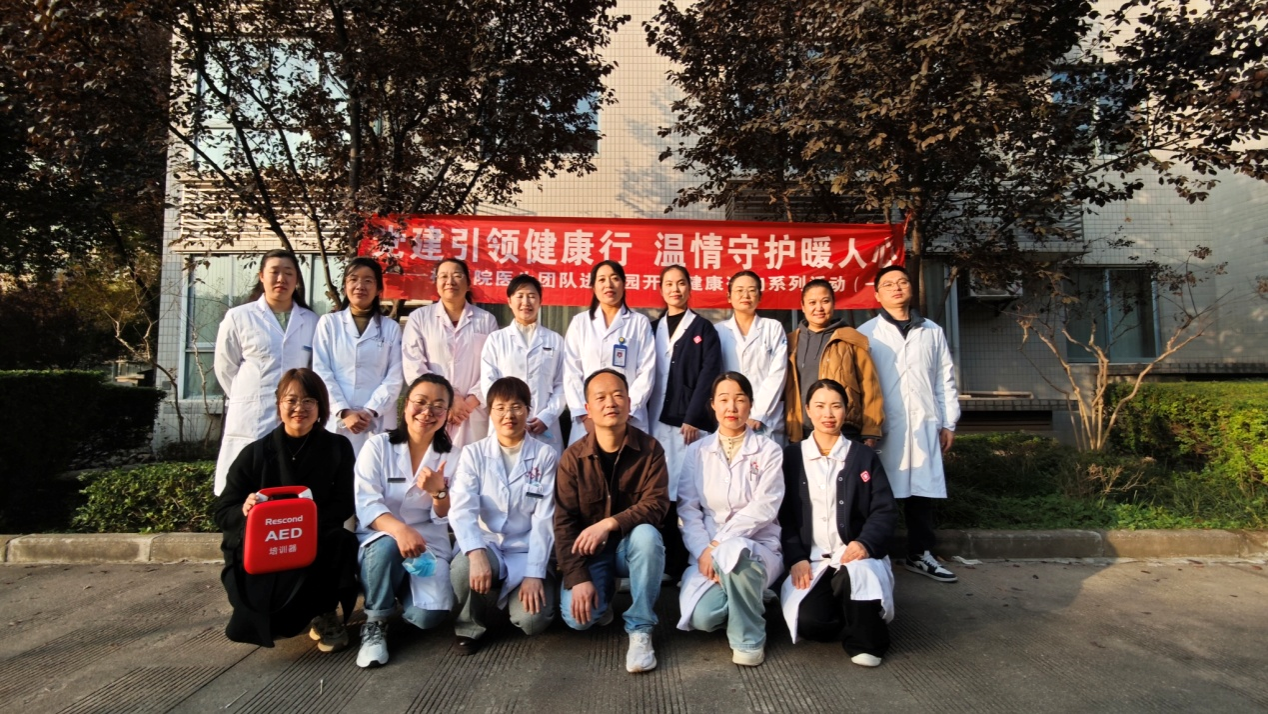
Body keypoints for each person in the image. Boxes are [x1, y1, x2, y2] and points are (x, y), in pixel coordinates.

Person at [213, 368, 358, 652]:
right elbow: (223, 510)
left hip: (315, 537)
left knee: (341, 541)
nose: (299, 408)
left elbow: (345, 502)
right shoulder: (255, 453)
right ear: (279, 404)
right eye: (291, 400)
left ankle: (325, 612)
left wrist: (303, 525)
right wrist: (245, 510)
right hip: (267, 544)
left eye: (309, 401)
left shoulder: (337, 447)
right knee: (257, 621)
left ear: (321, 407)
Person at [555, 368, 669, 673]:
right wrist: (578, 579)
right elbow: (564, 523)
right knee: (578, 620)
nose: (610, 403)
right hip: (592, 553)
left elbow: (657, 505)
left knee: (647, 536)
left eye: (618, 395)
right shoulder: (572, 458)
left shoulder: (650, 450)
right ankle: (603, 596)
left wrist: (609, 523)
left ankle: (641, 628)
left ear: (629, 403)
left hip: (630, 548)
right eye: (601, 397)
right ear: (588, 408)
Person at [778, 379, 897, 668]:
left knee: (855, 577)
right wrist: (795, 557)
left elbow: (884, 509)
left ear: (846, 410)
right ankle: (849, 610)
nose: (828, 414)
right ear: (808, 410)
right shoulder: (791, 457)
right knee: (811, 623)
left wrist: (865, 543)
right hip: (813, 561)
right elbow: (783, 515)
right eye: (820, 406)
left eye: (836, 406)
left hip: (854, 555)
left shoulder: (863, 456)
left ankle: (867, 639)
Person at [858, 265, 961, 583]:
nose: (896, 287)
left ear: (911, 288)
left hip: (924, 422)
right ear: (877, 294)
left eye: (902, 282)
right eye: (888, 284)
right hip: (884, 427)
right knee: (880, 493)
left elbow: (944, 378)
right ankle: (877, 554)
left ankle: (920, 553)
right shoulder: (867, 333)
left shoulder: (932, 331)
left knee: (921, 494)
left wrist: (948, 422)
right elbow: (861, 385)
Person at [676, 372, 784, 666]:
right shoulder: (697, 451)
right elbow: (688, 508)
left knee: (738, 556)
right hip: (707, 551)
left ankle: (749, 638)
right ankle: (750, 596)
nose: (731, 407)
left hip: (757, 546)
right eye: (723, 400)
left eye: (739, 399)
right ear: (712, 404)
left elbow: (765, 506)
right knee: (703, 617)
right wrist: (703, 550)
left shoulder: (769, 451)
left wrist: (718, 545)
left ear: (750, 404)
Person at [352, 374, 458, 668]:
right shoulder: (378, 447)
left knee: (427, 617)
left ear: (447, 413)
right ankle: (376, 621)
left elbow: (448, 516)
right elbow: (367, 504)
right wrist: (400, 530)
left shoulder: (454, 456)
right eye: (420, 402)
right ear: (405, 405)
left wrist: (438, 492)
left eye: (438, 406)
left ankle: (395, 585)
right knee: (387, 546)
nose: (428, 412)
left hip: (428, 544)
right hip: (381, 540)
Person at [449, 377, 559, 655]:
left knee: (532, 621)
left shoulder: (545, 455)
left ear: (528, 410)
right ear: (490, 412)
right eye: (500, 408)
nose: (508, 415)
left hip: (527, 549)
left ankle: (522, 592)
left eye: (516, 407)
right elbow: (462, 508)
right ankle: (468, 625)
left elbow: (544, 520)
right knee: (463, 567)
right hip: (488, 544)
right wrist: (476, 552)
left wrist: (534, 573)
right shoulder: (474, 454)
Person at [213, 249, 318, 494]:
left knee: (289, 488)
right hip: (252, 415)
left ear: (296, 279)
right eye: (274, 272)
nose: (281, 279)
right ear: (262, 276)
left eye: (288, 273)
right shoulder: (239, 317)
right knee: (247, 488)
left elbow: (314, 370)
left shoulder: (312, 321)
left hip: (295, 415)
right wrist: (248, 396)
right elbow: (225, 367)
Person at [648, 265, 721, 575]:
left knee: (688, 493)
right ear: (661, 289)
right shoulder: (651, 327)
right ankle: (667, 563)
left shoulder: (704, 329)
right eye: (669, 284)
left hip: (687, 425)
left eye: (680, 283)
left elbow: (709, 374)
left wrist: (693, 417)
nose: (675, 289)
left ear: (690, 288)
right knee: (660, 490)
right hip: (654, 419)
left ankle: (690, 561)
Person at [401, 258, 499, 454]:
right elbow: (413, 365)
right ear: (436, 283)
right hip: (433, 408)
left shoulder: (486, 320)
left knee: (472, 462)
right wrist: (448, 398)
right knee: (431, 463)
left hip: (472, 412)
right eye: (443, 276)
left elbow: (494, 366)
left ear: (468, 283)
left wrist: (470, 402)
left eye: (457, 276)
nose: (450, 281)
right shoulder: (419, 318)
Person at [312, 257, 404, 455]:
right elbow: (321, 371)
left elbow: (395, 377)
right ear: (345, 286)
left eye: (368, 281)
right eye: (353, 279)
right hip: (337, 419)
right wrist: (344, 411)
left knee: (374, 467)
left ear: (379, 289)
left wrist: (369, 411)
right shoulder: (329, 323)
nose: (360, 286)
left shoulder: (391, 328)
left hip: (376, 419)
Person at [563, 260, 656, 445]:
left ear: (624, 284)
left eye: (615, 278)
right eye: (602, 279)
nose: (609, 284)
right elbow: (571, 371)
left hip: (628, 417)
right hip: (588, 420)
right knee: (587, 461)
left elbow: (647, 371)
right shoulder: (580, 323)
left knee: (630, 461)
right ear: (593, 287)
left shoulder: (639, 323)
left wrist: (627, 412)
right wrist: (585, 415)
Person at [784, 279, 884, 446]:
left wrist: (871, 430)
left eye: (825, 301)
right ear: (803, 306)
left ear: (834, 303)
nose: (819, 308)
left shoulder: (851, 339)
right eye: (812, 303)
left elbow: (870, 386)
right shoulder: (790, 342)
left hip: (844, 429)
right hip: (802, 431)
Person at [480, 274, 567, 454]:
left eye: (532, 296)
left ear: (540, 301)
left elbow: (563, 383)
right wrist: (507, 414)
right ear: (509, 301)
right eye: (520, 296)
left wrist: (546, 417)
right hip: (506, 423)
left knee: (544, 467)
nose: (526, 302)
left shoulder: (555, 340)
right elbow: (489, 384)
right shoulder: (496, 340)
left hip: (543, 427)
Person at [715, 270, 789, 444]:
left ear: (760, 296)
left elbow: (778, 373)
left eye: (751, 290)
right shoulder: (718, 331)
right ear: (729, 297)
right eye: (739, 290)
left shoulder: (773, 328)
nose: (745, 295)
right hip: (729, 415)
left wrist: (758, 414)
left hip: (766, 418)